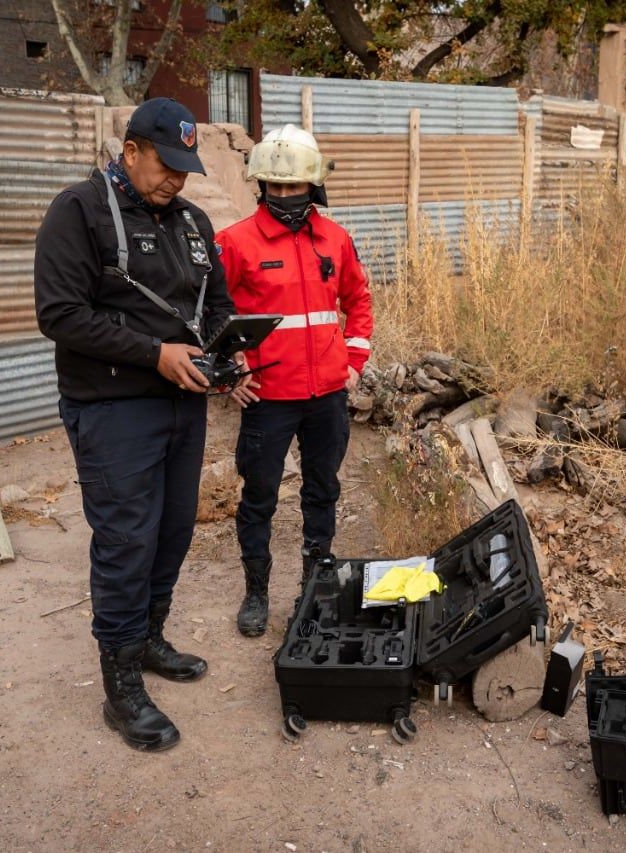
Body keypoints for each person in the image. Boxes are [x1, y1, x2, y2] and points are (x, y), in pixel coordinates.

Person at [34, 98, 241, 752]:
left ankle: (149, 637)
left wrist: (228, 354)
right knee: (126, 540)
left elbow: (217, 306)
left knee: (173, 530)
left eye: (185, 167)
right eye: (166, 164)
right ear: (130, 151)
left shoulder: (192, 222)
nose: (177, 178)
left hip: (184, 402)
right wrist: (155, 353)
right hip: (114, 406)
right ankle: (120, 686)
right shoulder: (80, 211)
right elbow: (60, 314)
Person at [215, 124, 374, 638]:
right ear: (261, 185)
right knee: (259, 496)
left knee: (322, 491)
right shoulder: (234, 243)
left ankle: (314, 589)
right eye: (274, 187)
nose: (284, 196)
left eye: (294, 187)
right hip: (268, 398)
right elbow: (209, 316)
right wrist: (228, 375)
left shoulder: (336, 238)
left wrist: (353, 363)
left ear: (313, 185)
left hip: (327, 395)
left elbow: (359, 302)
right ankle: (256, 593)